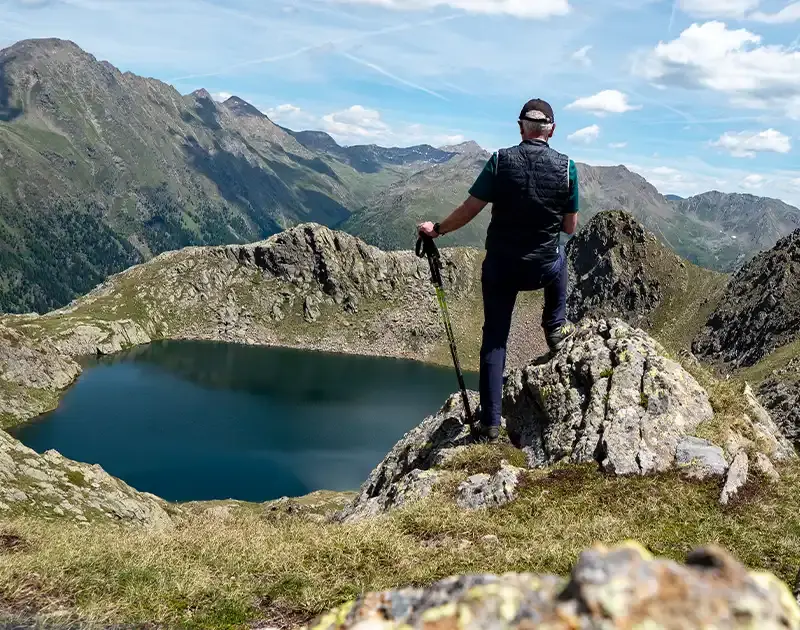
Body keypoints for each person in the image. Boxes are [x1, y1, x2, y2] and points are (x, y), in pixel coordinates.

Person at [418, 98, 578, 442]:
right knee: (560, 259)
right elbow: (569, 227)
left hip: (501, 268)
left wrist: (437, 230)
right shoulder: (567, 168)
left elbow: (469, 209)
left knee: (494, 339)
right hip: (542, 269)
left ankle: (490, 425)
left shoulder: (500, 161)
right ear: (552, 131)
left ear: (521, 128)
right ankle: (555, 326)